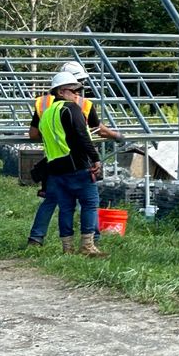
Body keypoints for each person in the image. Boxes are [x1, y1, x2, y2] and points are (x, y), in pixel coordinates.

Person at [26, 62, 124, 248]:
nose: (79, 92)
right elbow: (89, 131)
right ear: (65, 89)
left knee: (59, 203)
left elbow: (33, 134)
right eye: (77, 87)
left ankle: (41, 239)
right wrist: (114, 136)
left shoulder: (44, 105)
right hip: (77, 161)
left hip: (54, 163)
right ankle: (91, 242)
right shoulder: (79, 105)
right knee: (89, 202)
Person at [36, 71, 104, 256]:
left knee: (66, 207)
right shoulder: (71, 109)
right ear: (61, 91)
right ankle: (87, 246)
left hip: (56, 169)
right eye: (74, 90)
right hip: (77, 165)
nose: (77, 95)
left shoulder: (47, 114)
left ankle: (68, 249)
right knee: (90, 204)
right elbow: (82, 135)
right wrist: (95, 158)